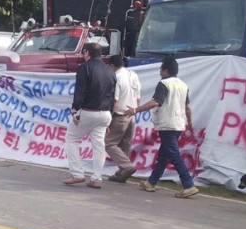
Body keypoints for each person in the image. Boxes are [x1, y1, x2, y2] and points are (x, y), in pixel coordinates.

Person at [124, 56, 198, 198]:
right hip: (178, 124)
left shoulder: (164, 84)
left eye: (161, 69)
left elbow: (155, 102)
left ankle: (189, 184)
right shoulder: (183, 85)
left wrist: (135, 110)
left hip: (167, 125)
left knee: (174, 155)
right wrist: (189, 122)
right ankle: (151, 182)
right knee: (164, 156)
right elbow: (187, 107)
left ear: (166, 71)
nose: (159, 71)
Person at [63, 42, 116, 189]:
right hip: (105, 113)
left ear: (87, 53)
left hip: (87, 112)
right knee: (99, 146)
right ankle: (97, 178)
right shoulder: (110, 70)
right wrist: (109, 118)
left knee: (72, 139)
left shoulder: (84, 68)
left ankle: (77, 173)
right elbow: (112, 96)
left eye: (83, 52)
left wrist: (75, 110)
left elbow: (80, 91)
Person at [105, 54, 141, 183]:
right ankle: (122, 172)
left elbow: (115, 101)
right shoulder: (133, 75)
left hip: (119, 114)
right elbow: (138, 98)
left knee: (109, 143)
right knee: (125, 144)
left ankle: (126, 167)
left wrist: (108, 118)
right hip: (131, 113)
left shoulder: (117, 77)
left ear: (112, 66)